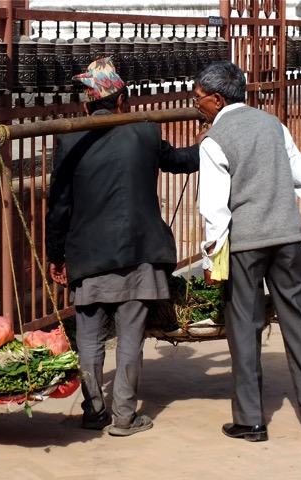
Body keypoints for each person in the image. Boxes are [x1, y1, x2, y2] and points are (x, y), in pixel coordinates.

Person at [45, 57, 200, 437]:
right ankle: (125, 417)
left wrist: (55, 255)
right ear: (121, 100)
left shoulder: (70, 139)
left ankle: (93, 411)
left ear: (86, 107)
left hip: (89, 256)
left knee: (89, 337)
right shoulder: (145, 132)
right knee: (130, 335)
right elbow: (182, 161)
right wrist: (211, 140)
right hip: (138, 253)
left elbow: (59, 205)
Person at [193, 61, 301, 442]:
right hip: (287, 239)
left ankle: (251, 420)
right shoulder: (273, 125)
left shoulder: (214, 140)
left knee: (245, 327)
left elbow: (215, 210)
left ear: (217, 99)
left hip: (245, 247)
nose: (196, 105)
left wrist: (212, 260)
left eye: (198, 99)